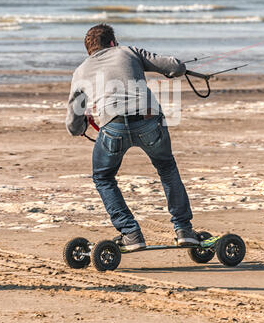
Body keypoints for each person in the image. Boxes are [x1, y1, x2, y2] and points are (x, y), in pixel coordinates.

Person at [66, 23, 200, 252]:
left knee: (103, 177)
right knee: (167, 169)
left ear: (90, 50)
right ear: (111, 42)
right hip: (149, 121)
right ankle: (184, 230)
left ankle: (130, 233)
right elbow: (174, 66)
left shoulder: (80, 71)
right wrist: (178, 68)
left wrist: (80, 129)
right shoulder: (128, 51)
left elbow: (73, 122)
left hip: (113, 126)